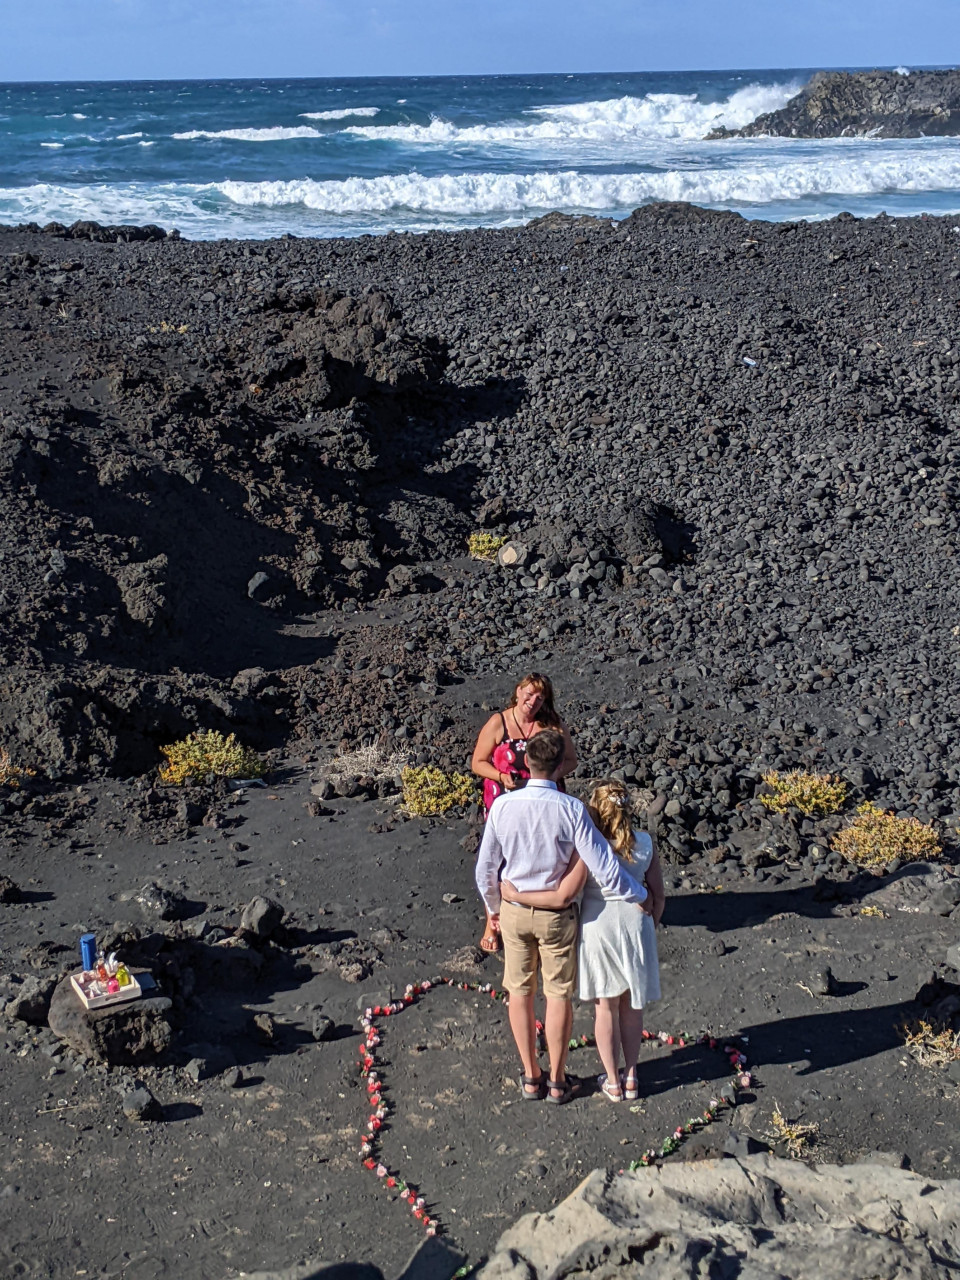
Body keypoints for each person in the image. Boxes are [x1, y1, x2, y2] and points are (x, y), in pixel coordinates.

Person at [475, 731, 649, 1105]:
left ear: (526, 764)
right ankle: (556, 1079)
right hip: (557, 917)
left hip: (514, 912)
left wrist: (493, 911)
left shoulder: (503, 806)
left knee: (519, 993)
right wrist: (641, 894)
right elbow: (603, 866)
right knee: (557, 995)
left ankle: (530, 1075)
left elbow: (485, 868)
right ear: (558, 767)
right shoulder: (570, 809)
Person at [501, 779, 665, 1102]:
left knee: (605, 1006)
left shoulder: (589, 848)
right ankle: (632, 1075)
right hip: (636, 925)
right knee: (633, 1006)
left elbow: (567, 893)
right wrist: (651, 927)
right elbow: (658, 895)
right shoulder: (645, 843)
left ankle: (613, 1081)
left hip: (599, 925)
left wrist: (517, 894)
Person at [471, 673, 577, 953]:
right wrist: (500, 775)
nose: (532, 701)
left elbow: (571, 760)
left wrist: (550, 776)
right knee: (498, 859)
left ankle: (537, 913)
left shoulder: (552, 724)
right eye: (528, 694)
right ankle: (492, 920)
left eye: (539, 698)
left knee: (542, 856)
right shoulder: (499, 722)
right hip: (504, 800)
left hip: (545, 800)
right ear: (517, 692)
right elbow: (477, 762)